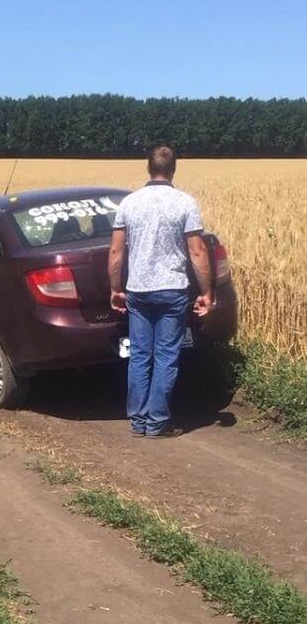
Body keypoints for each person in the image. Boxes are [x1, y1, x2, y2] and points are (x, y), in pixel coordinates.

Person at [108, 145, 213, 438]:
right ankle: (157, 422)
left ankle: (138, 422)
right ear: (173, 169)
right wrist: (207, 292)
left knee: (140, 355)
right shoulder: (185, 203)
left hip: (138, 291)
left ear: (148, 168)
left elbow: (116, 251)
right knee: (166, 355)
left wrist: (116, 288)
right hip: (172, 290)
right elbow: (197, 251)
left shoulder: (129, 203)